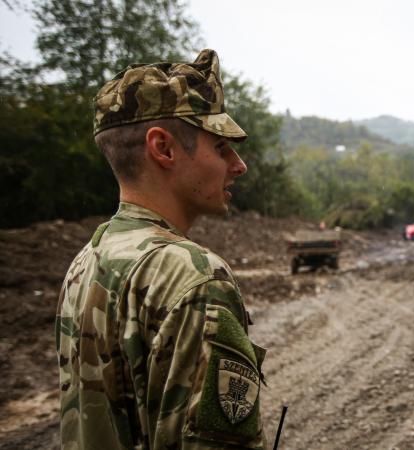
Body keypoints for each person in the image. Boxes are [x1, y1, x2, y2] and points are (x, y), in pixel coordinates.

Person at [56, 49, 268, 449]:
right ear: (164, 148)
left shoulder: (87, 261)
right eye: (222, 148)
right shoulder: (194, 276)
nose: (238, 165)